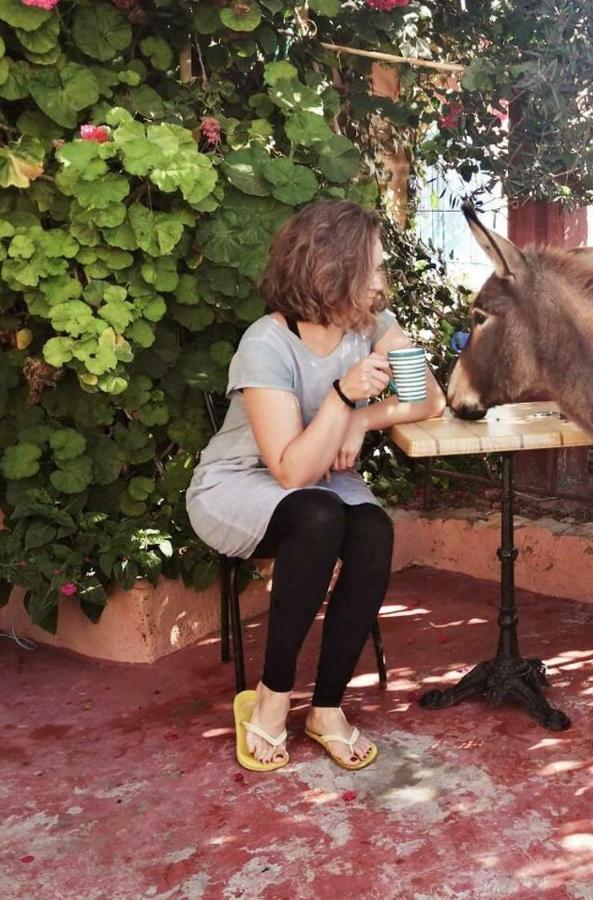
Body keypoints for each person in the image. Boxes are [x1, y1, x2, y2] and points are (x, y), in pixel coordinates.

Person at [186, 201, 445, 772]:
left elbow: (431, 398)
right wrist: (345, 396)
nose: (383, 280)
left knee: (373, 528)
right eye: (373, 267)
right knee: (320, 518)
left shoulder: (375, 327)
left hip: (325, 479)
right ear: (334, 268)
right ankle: (272, 699)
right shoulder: (268, 342)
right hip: (241, 485)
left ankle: (327, 708)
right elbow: (290, 472)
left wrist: (361, 419)